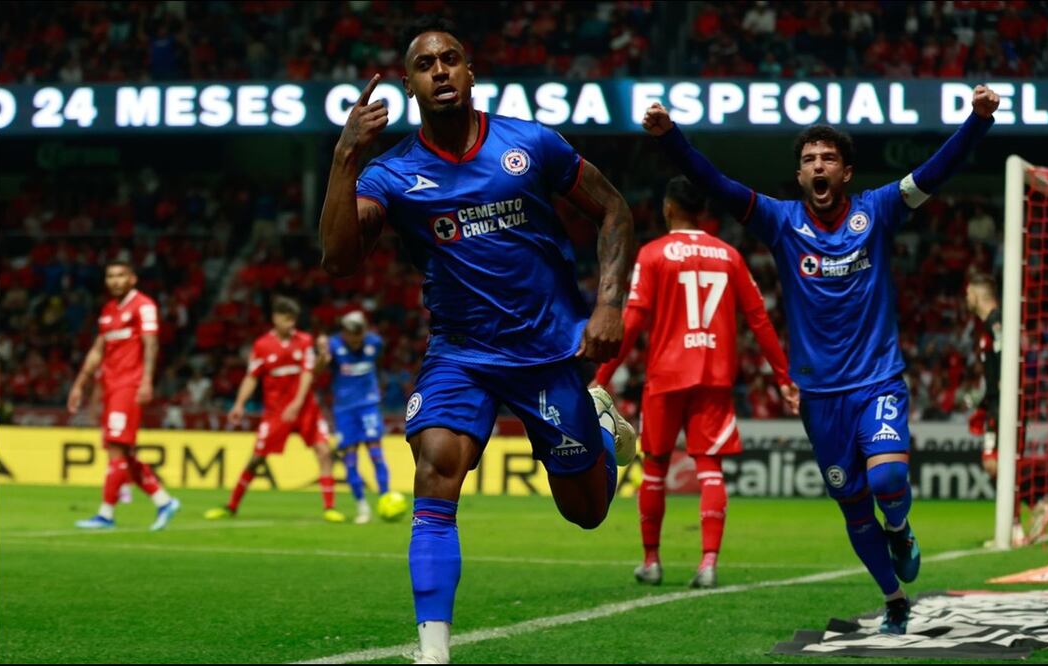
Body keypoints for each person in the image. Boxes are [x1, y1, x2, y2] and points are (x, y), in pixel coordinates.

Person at [319, 17, 637, 664]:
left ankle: (600, 425)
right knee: (435, 468)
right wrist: (344, 159)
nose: (439, 70)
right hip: (461, 354)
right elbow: (337, 260)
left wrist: (607, 305)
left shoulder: (530, 144)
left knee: (585, 511)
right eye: (424, 64)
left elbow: (615, 210)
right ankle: (432, 651)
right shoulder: (391, 172)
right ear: (408, 85)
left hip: (551, 352)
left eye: (450, 59)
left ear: (470, 73)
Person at [643, 84, 1000, 634]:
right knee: (854, 509)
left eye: (828, 158)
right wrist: (672, 140)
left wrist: (977, 122)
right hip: (819, 396)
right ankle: (894, 597)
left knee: (885, 486)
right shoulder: (780, 221)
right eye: (808, 159)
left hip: (878, 379)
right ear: (801, 173)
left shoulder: (878, 210)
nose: (817, 166)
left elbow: (934, 172)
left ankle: (901, 529)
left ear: (846, 172)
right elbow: (716, 184)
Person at [594, 175, 798, 589]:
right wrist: (783, 376)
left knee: (655, 469)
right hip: (714, 375)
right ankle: (708, 564)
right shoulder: (729, 255)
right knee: (710, 470)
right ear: (702, 211)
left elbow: (631, 321)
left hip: (666, 375)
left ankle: (651, 561)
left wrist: (601, 377)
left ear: (669, 208)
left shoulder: (653, 254)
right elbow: (759, 319)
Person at [204, 296, 346, 523]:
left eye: (294, 320)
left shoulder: (304, 340)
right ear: (275, 318)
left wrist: (320, 360)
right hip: (276, 412)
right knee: (257, 459)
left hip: (305, 408)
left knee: (324, 451)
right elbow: (252, 378)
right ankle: (231, 506)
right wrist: (239, 403)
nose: (291, 324)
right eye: (287, 319)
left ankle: (330, 508)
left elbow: (310, 373)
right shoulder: (262, 345)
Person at [69, 260, 180, 530]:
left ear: (132, 278)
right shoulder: (108, 311)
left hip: (129, 385)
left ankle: (106, 514)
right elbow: (97, 350)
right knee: (122, 452)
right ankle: (164, 501)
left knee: (116, 448)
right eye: (110, 276)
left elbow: (151, 343)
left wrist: (146, 380)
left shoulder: (144, 305)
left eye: (121, 275)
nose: (115, 281)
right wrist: (79, 384)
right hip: (110, 385)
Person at [966, 274, 1048, 544]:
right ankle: (1034, 510)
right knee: (997, 463)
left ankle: (1017, 523)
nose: (966, 298)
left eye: (969, 293)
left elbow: (1008, 361)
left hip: (1005, 406)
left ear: (980, 295)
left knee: (996, 463)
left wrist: (1005, 401)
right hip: (997, 405)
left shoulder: (997, 322)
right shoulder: (987, 325)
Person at [317, 310, 391, 524]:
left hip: (368, 405)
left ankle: (385, 499)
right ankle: (362, 506)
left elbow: (377, 364)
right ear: (344, 332)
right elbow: (318, 371)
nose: (355, 338)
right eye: (351, 333)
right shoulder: (333, 345)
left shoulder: (375, 343)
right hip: (344, 409)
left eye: (358, 333)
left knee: (376, 453)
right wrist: (323, 357)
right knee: (350, 460)